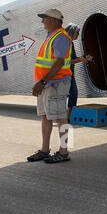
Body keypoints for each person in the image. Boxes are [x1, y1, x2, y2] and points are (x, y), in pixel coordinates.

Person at [27, 9, 74, 164]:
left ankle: (64, 151)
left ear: (54, 20)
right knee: (46, 116)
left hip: (56, 83)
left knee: (61, 117)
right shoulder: (51, 36)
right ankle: (44, 150)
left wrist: (43, 82)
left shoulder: (60, 37)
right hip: (47, 83)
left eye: (45, 18)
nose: (42, 21)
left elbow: (59, 62)